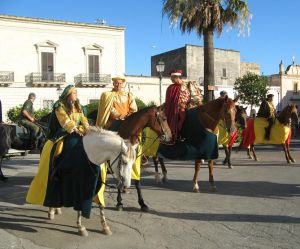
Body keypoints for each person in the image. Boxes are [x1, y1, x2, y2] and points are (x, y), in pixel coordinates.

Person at [26, 85, 99, 218]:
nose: (76, 95)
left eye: (76, 92)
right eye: (74, 93)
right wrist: (74, 128)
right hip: (63, 134)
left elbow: (83, 119)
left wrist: (88, 129)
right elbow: (64, 120)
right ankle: (54, 169)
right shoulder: (59, 105)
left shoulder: (78, 106)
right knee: (57, 150)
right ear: (68, 94)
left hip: (79, 133)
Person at [164, 69, 202, 144]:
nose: (171, 79)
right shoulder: (170, 87)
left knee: (184, 117)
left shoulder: (188, 84)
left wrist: (194, 104)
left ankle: (182, 135)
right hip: (172, 109)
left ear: (176, 77)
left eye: (172, 78)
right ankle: (171, 136)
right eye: (171, 78)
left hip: (187, 108)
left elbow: (196, 96)